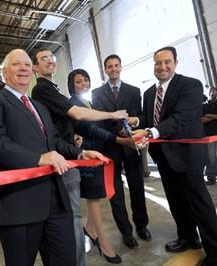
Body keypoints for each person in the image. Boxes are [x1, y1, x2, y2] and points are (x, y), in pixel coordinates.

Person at [0, 49, 106, 266]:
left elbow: (54, 141)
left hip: (56, 200)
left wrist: (80, 153)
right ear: (4, 72)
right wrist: (39, 158)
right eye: (17, 64)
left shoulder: (40, 107)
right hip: (19, 205)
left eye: (27, 64)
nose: (24, 68)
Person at [131, 46, 217, 266]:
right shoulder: (150, 93)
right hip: (163, 157)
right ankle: (188, 237)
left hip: (187, 156)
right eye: (158, 63)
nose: (162, 66)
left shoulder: (190, 85)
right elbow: (149, 119)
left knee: (199, 204)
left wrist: (149, 132)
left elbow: (181, 118)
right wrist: (136, 122)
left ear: (175, 63)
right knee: (176, 201)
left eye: (167, 62)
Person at [31, 48, 128, 266]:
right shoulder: (44, 90)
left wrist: (71, 135)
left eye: (52, 57)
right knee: (74, 217)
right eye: (43, 58)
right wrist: (114, 115)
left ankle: (92, 237)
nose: (50, 61)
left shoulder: (54, 91)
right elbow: (79, 117)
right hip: (69, 159)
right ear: (35, 68)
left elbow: (66, 123)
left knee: (80, 213)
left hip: (77, 152)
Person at [68, 68, 139, 264]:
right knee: (94, 198)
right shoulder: (73, 104)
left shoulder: (90, 102)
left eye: (86, 80)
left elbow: (102, 126)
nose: (84, 84)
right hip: (88, 157)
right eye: (79, 81)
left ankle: (90, 229)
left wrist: (124, 132)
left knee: (97, 194)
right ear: (72, 85)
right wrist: (117, 140)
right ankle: (103, 242)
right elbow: (91, 129)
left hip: (99, 154)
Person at [91, 54, 150, 249]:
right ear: (105, 70)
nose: (113, 69)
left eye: (116, 65)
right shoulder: (97, 93)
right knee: (115, 192)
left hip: (131, 147)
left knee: (137, 188)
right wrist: (118, 132)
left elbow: (141, 116)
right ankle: (126, 231)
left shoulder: (134, 91)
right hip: (110, 147)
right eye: (110, 66)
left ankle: (141, 225)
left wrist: (132, 125)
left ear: (120, 67)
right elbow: (99, 120)